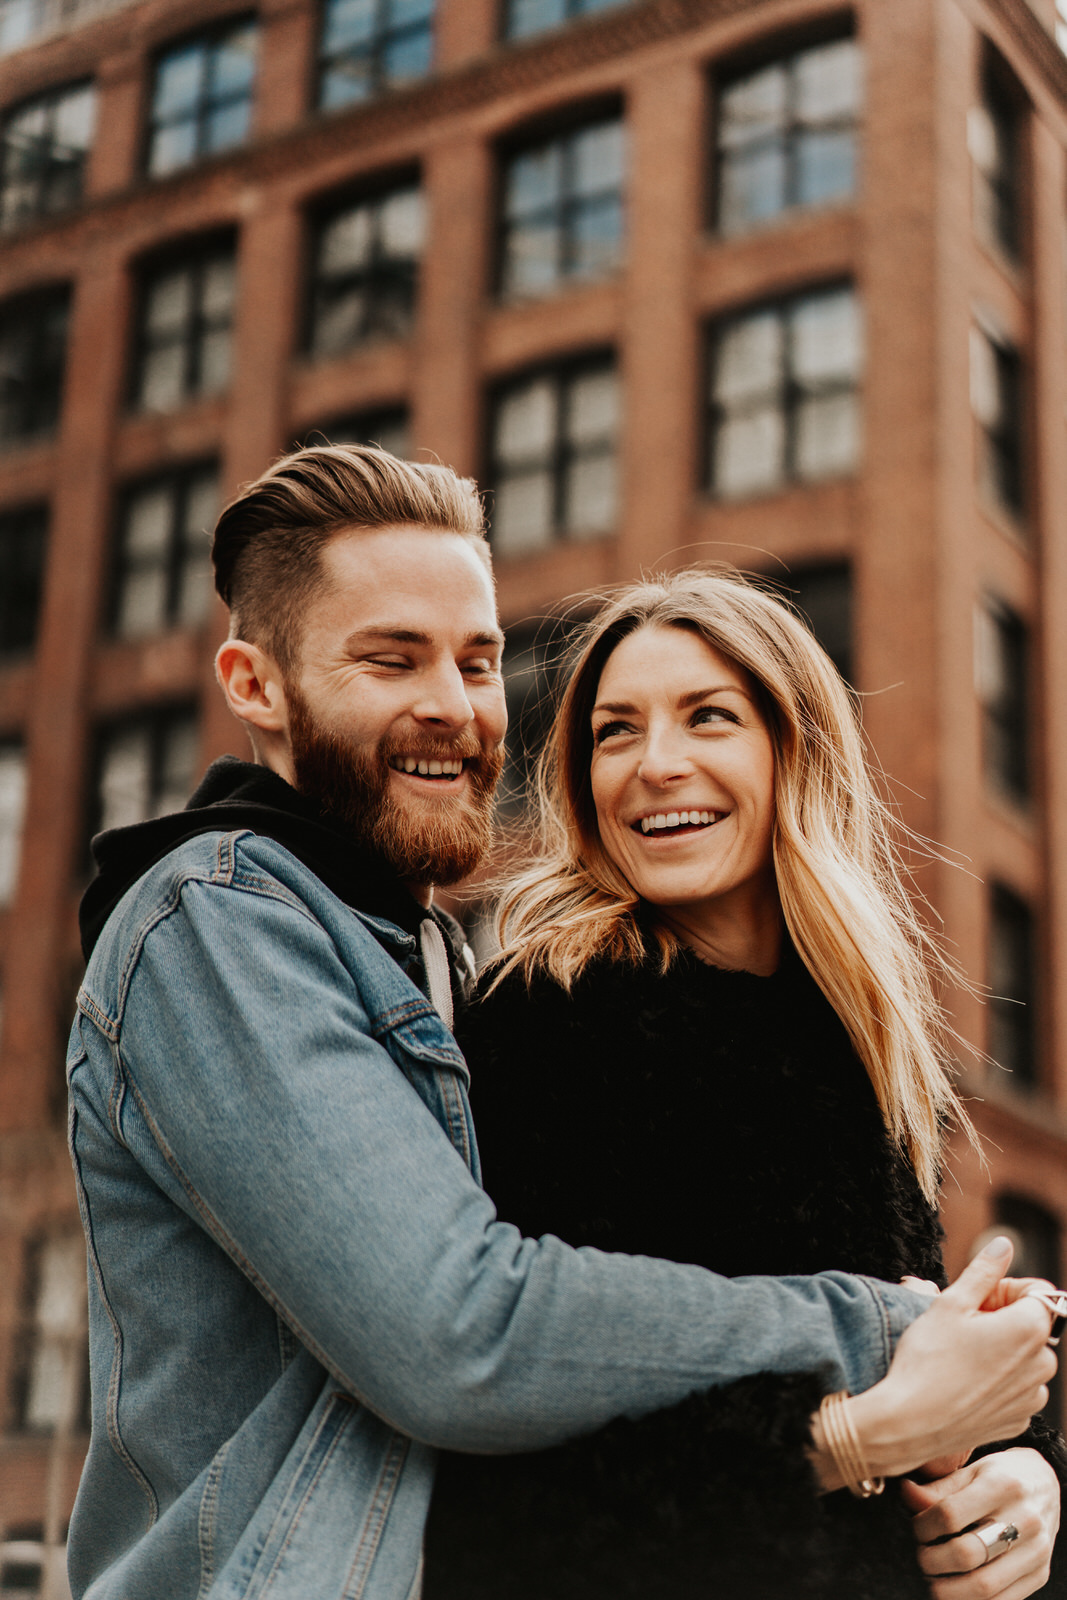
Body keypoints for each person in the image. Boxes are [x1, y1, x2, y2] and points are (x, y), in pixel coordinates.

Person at [66, 448, 1056, 1600]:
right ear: (254, 683)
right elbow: (458, 1334)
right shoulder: (226, 926)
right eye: (392, 657)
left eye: (479, 661)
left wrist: (1022, 1473)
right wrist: (881, 1349)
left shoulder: (420, 951)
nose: (454, 702)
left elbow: (948, 1418)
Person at [425, 567, 1067, 1600]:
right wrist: (849, 1443)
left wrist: (1026, 1483)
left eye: (706, 716)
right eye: (613, 731)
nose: (654, 765)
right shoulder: (545, 1030)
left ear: (793, 747)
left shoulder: (860, 1045)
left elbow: (925, 1363)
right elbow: (500, 1474)